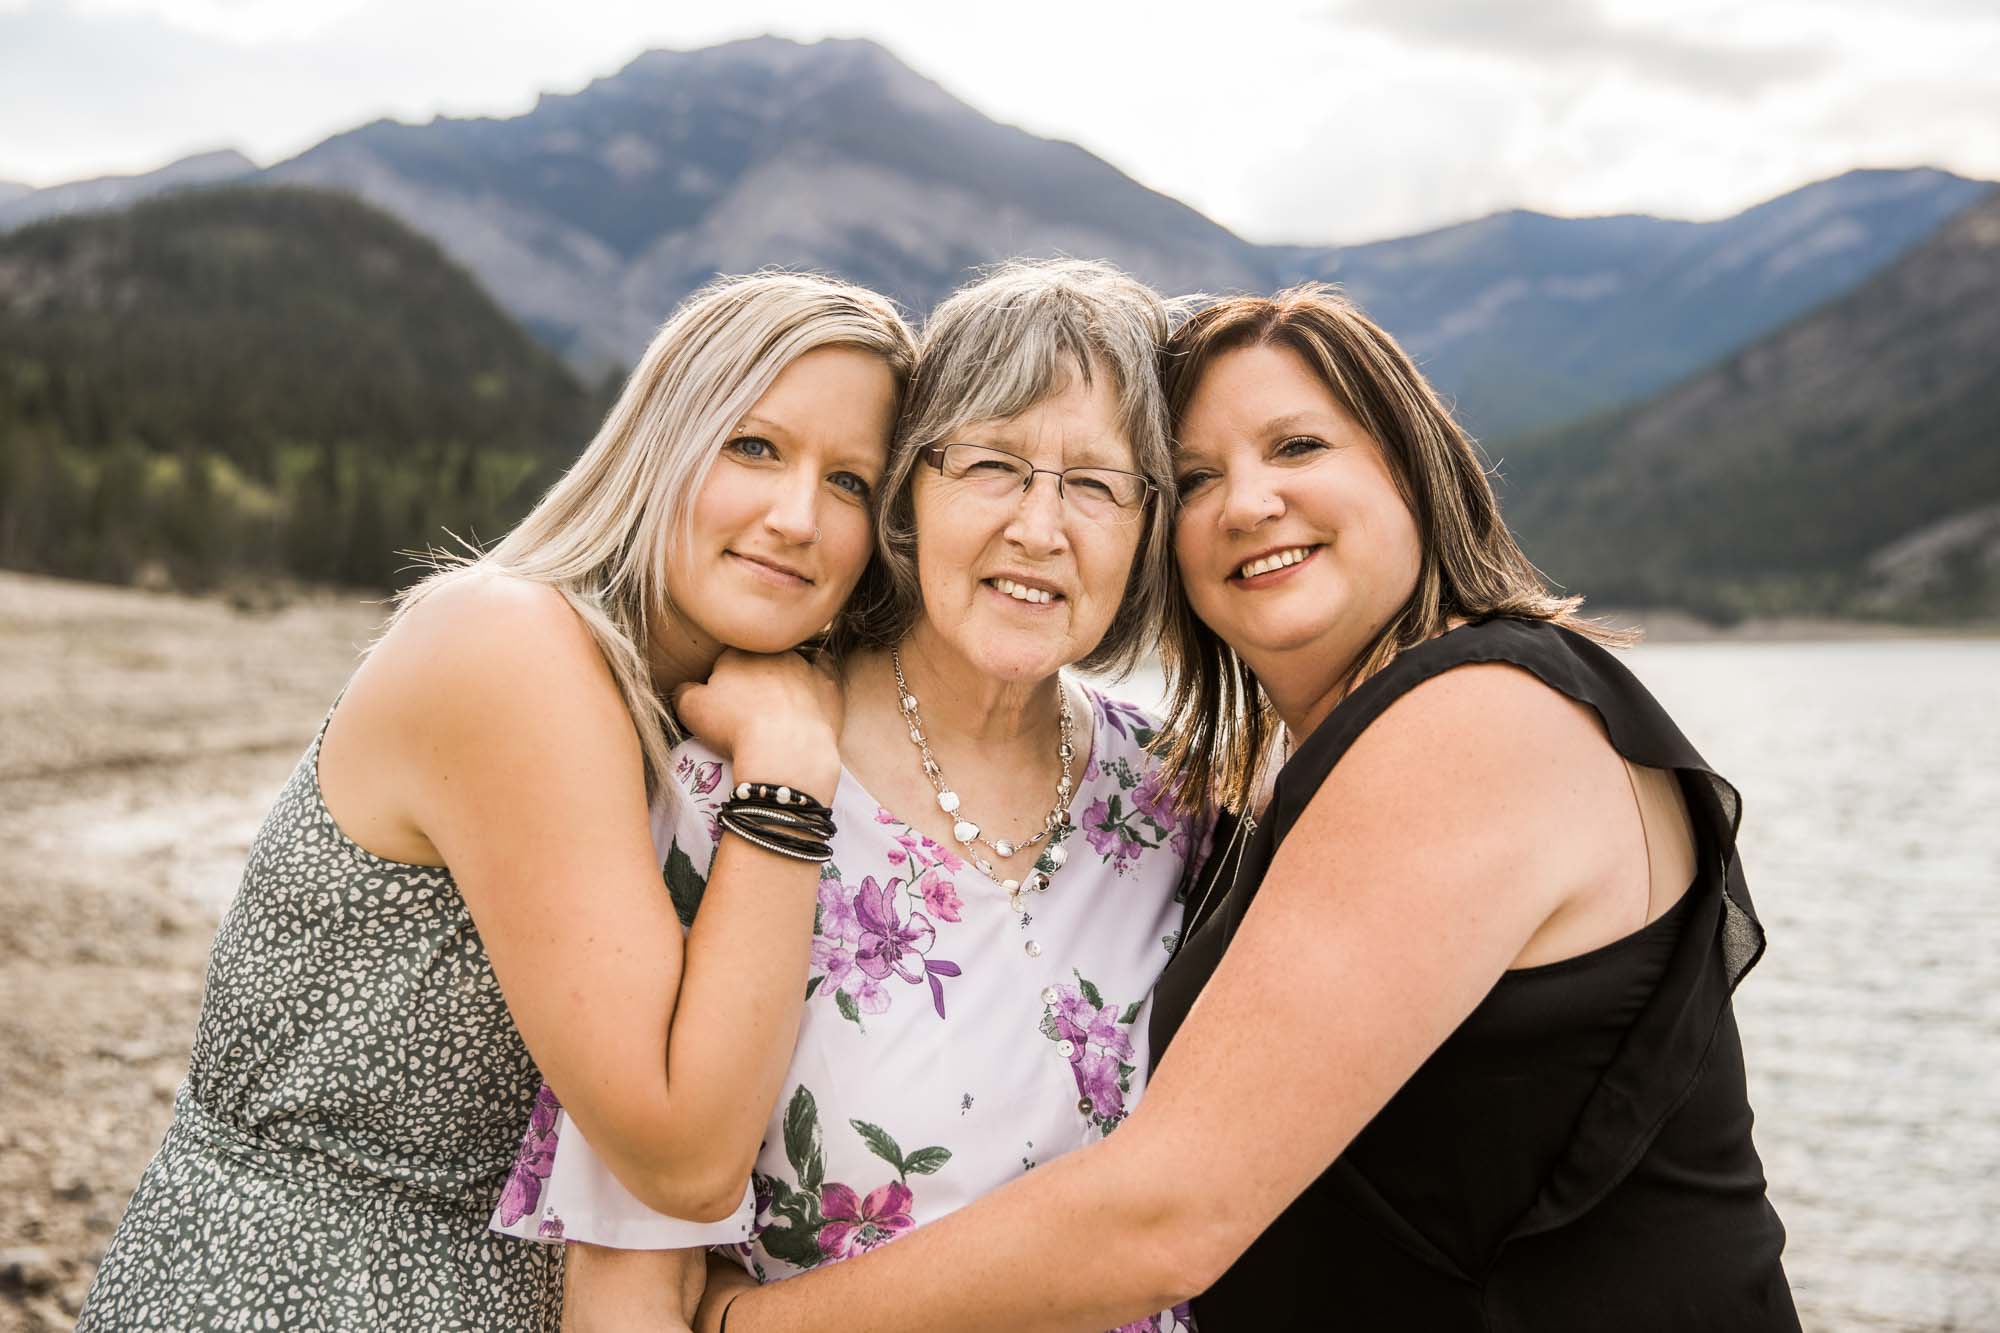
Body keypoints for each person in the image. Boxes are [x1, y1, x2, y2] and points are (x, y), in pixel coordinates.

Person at [695, 285, 1800, 1332]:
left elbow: (1170, 1211)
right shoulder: (1267, 784)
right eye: (1196, 477)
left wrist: (742, 1323)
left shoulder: (1474, 723)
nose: (1249, 502)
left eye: (1296, 447)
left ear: (1412, 469)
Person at [76, 272, 916, 1331]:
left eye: (850, 483)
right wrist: (789, 776)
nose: (796, 517)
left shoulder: (675, 705)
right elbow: (686, 1158)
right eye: (752, 447)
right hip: (300, 1292)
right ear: (657, 440)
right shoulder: (512, 644)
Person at [492, 260, 1202, 1333]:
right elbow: (627, 1289)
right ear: (906, 497)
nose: (1039, 528)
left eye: (1096, 484)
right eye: (993, 465)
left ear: (1148, 527)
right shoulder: (730, 791)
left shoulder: (1178, 800)